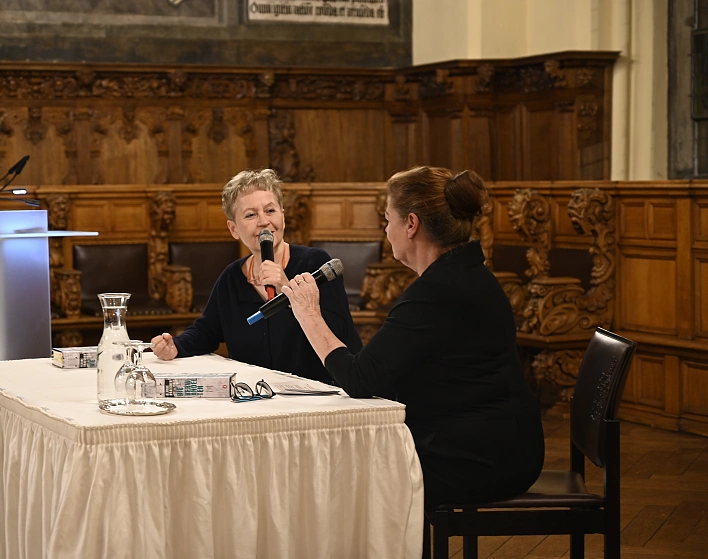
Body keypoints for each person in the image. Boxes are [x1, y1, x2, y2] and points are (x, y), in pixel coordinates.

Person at [281, 165, 545, 505]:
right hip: (498, 443)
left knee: (337, 478)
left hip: (481, 458)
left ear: (411, 224)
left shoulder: (439, 291)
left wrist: (308, 314)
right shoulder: (462, 276)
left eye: (388, 220)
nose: (386, 230)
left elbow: (360, 379)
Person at [151, 168, 362, 384]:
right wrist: (176, 346)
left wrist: (286, 288)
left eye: (270, 211)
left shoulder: (314, 264)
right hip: (258, 397)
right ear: (234, 229)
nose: (263, 222)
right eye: (251, 215)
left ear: (283, 216)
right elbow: (207, 331)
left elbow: (341, 331)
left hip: (321, 394)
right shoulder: (232, 278)